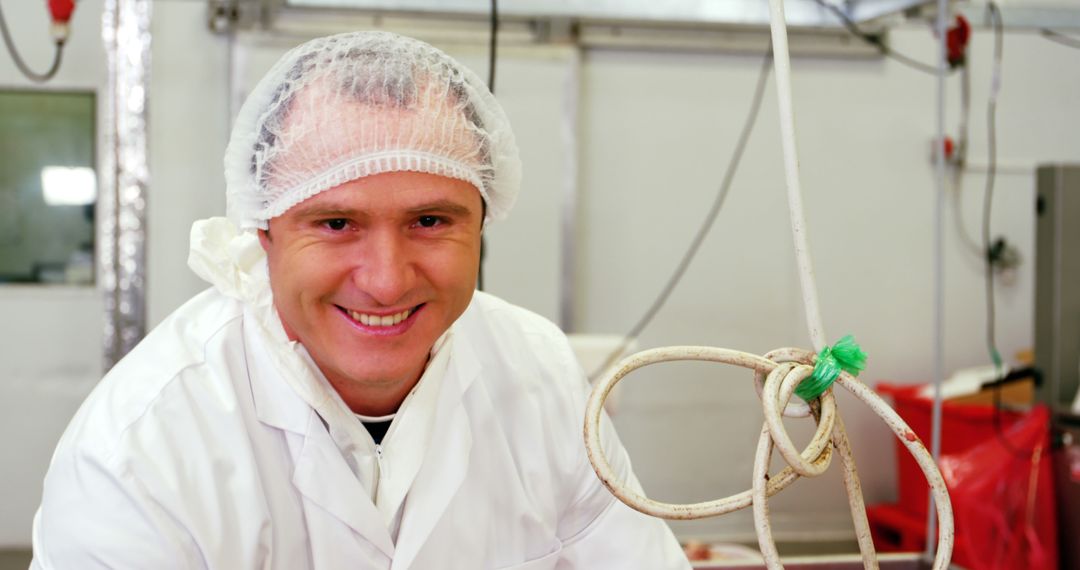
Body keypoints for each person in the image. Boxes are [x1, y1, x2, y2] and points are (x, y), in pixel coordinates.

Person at [31, 31, 689, 569]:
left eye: (430, 222)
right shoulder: (144, 449)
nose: (385, 280)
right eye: (336, 223)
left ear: (482, 223)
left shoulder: (538, 373)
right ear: (264, 231)